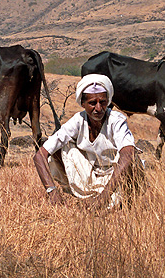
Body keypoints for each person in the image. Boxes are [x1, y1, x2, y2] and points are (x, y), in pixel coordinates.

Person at [33, 74, 143, 209]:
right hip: (91, 175)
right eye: (92, 103)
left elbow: (128, 154)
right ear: (83, 104)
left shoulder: (116, 120)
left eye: (102, 102)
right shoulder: (77, 120)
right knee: (61, 148)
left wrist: (104, 197)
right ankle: (82, 195)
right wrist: (52, 191)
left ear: (108, 101)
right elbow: (40, 155)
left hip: (116, 177)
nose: (98, 108)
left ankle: (121, 199)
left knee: (132, 157)